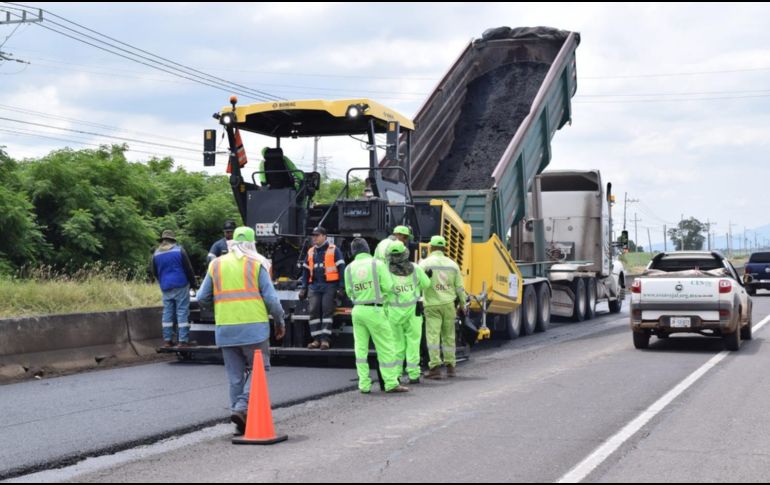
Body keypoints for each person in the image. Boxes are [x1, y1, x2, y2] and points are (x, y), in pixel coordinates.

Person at [196, 226, 286, 436]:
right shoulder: (256, 264)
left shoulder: (216, 264)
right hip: (254, 329)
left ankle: (240, 423)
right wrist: (279, 321)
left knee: (235, 377)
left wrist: (219, 309)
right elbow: (272, 300)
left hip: (226, 329)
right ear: (252, 243)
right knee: (259, 370)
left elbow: (201, 297)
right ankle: (242, 407)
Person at [345, 238, 408, 393]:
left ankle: (364, 385)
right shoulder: (377, 264)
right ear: (367, 249)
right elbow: (388, 286)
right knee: (386, 347)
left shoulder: (349, 268)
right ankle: (391, 383)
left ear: (353, 252)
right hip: (375, 310)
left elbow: (349, 291)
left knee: (360, 350)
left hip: (357, 311)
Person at [418, 235, 467, 379]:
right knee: (449, 336)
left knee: (433, 336)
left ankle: (435, 368)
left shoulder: (424, 264)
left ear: (431, 247)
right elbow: (459, 288)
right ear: (444, 248)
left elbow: (417, 283)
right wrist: (463, 304)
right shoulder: (453, 265)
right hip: (449, 305)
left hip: (432, 305)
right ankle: (451, 367)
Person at [385, 241, 430, 384]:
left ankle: (396, 374)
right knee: (413, 343)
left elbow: (383, 290)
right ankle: (413, 374)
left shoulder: (386, 271)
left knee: (396, 345)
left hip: (394, 314)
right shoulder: (415, 268)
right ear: (405, 253)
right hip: (413, 313)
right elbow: (427, 284)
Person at [298, 226, 345, 350]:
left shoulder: (334, 250)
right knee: (313, 311)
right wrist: (303, 288)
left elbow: (341, 269)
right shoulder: (310, 251)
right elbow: (305, 271)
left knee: (326, 311)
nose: (314, 238)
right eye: (313, 235)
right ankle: (316, 340)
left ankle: (325, 340)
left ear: (325, 236)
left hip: (329, 286)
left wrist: (341, 287)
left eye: (317, 235)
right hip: (314, 286)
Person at [152, 230, 197, 347]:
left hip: (165, 286)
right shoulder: (179, 250)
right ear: (173, 240)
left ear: (162, 241)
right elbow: (188, 269)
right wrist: (193, 283)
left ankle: (167, 340)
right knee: (182, 311)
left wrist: (162, 281)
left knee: (168, 312)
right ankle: (183, 340)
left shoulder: (156, 254)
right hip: (181, 284)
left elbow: (155, 272)